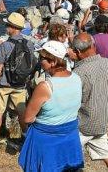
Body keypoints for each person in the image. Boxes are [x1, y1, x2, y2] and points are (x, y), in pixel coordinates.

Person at [19, 41, 84, 171]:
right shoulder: (77, 78)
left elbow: (27, 118)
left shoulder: (45, 86)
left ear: (53, 62)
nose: (39, 61)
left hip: (46, 139)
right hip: (70, 135)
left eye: (42, 58)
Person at [71, 33, 108, 172]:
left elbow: (73, 101)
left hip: (84, 125)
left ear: (78, 52)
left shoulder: (79, 72)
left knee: (66, 154)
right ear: (93, 45)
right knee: (107, 152)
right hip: (103, 121)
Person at [0, 12, 36, 150]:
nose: (6, 27)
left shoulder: (5, 45)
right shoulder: (29, 43)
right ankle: (25, 136)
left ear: (13, 27)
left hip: (4, 83)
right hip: (20, 83)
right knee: (22, 111)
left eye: (7, 25)